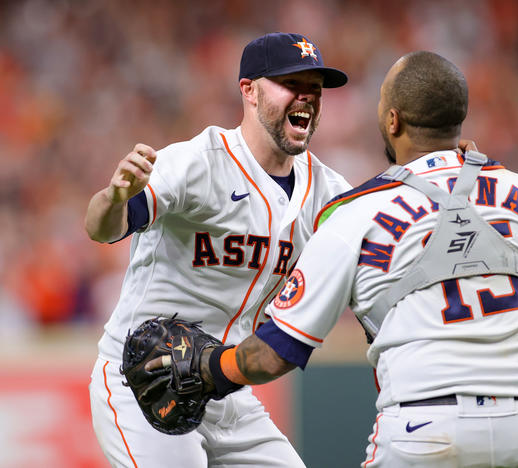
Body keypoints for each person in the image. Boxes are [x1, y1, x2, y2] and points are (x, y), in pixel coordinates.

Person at [194, 51, 518, 467]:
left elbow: (277, 350)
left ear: (392, 120)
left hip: (429, 427)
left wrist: (210, 368)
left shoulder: (355, 213)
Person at [85, 32, 351, 467]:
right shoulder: (198, 161)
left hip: (225, 389)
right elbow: (101, 228)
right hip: (143, 381)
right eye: (291, 84)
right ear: (248, 89)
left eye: (314, 88)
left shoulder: (328, 192)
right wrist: (113, 197)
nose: (306, 97)